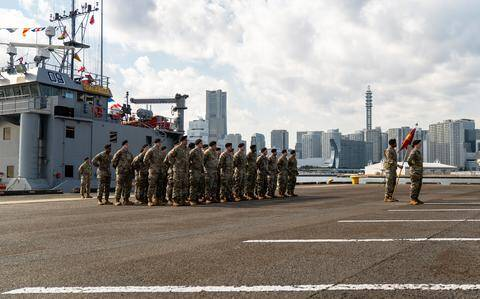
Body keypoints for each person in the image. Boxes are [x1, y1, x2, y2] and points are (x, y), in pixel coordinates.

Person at [144, 139, 166, 206]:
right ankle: (150, 200)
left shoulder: (160, 151)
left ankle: (157, 200)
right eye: (158, 143)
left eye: (160, 143)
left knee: (159, 186)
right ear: (155, 143)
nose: (160, 144)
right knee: (152, 186)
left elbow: (162, 161)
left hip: (160, 171)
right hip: (153, 171)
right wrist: (150, 167)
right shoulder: (151, 150)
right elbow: (145, 159)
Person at [168, 136, 189, 206]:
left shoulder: (187, 149)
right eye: (185, 140)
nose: (187, 141)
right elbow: (170, 156)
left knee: (184, 185)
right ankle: (175, 200)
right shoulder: (177, 148)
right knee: (177, 185)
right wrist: (174, 163)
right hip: (178, 170)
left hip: (185, 170)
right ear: (182, 141)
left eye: (187, 140)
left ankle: (183, 200)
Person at [112, 140, 134, 206]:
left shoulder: (129, 153)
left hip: (128, 172)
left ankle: (126, 200)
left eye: (127, 144)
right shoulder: (119, 152)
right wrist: (118, 168)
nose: (127, 145)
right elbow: (114, 161)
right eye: (126, 144)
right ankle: (117, 200)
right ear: (123, 145)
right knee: (119, 186)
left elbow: (132, 162)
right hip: (121, 172)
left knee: (128, 186)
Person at [407, 140, 424, 205]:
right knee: (414, 185)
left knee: (418, 185)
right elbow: (409, 160)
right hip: (414, 172)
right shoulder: (413, 151)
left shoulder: (418, 152)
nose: (420, 145)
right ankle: (412, 199)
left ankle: (416, 198)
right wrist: (413, 167)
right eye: (419, 144)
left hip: (419, 172)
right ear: (415, 145)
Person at [189, 139, 205, 206]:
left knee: (199, 186)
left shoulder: (201, 151)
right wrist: (191, 167)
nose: (202, 144)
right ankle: (192, 199)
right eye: (201, 143)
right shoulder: (193, 151)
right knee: (194, 185)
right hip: (194, 170)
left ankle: (197, 199)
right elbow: (188, 159)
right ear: (198, 144)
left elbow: (202, 162)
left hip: (199, 171)